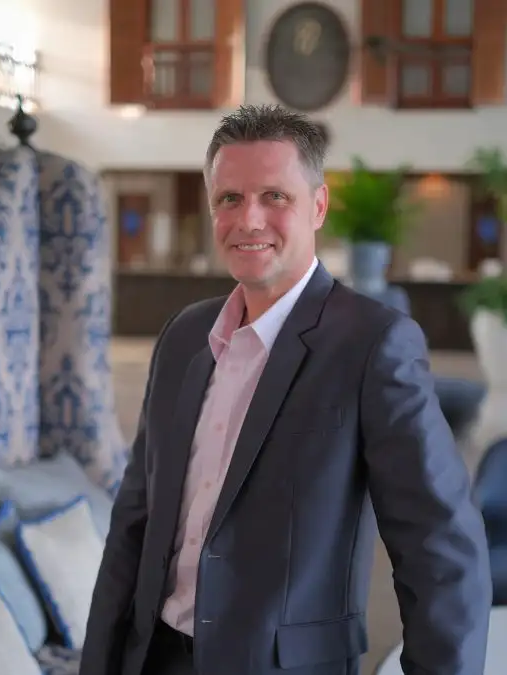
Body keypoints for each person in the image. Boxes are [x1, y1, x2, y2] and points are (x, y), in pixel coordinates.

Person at [80, 104, 491, 675]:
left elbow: (439, 552)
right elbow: (134, 522)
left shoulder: (373, 344)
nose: (249, 220)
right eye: (230, 198)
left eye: (274, 196)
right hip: (153, 659)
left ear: (318, 206)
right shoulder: (183, 337)